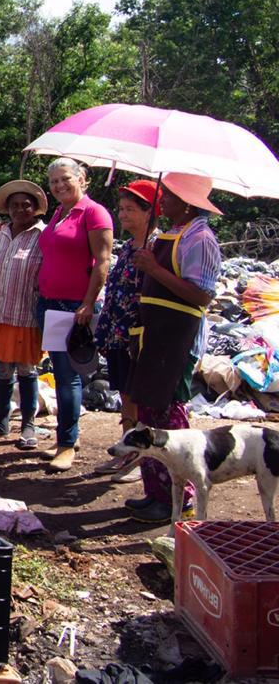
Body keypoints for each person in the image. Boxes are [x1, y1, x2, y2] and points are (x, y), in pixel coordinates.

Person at [124, 174, 222, 523]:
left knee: (168, 416)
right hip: (156, 335)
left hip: (177, 341)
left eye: (170, 198)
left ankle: (179, 495)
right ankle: (156, 491)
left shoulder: (201, 239)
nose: (161, 203)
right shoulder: (174, 234)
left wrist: (154, 269)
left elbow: (201, 295)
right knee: (149, 414)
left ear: (188, 203)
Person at [35, 158, 113, 471]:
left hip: (74, 307)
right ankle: (67, 435)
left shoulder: (94, 212)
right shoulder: (59, 213)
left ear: (82, 178)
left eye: (65, 179)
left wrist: (87, 302)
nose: (59, 186)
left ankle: (67, 445)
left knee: (68, 378)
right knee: (60, 373)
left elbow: (103, 261)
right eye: (53, 181)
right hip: (50, 303)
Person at [94, 179, 160, 480]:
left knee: (136, 394)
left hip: (138, 335)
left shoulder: (157, 246)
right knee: (125, 394)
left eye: (130, 209)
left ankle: (138, 456)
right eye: (120, 209)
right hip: (118, 333)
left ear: (150, 212)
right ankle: (127, 451)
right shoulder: (129, 247)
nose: (122, 214)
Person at [0, 180, 47, 448]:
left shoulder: (43, 236)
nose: (20, 210)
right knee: (2, 370)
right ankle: (1, 422)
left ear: (35, 208)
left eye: (25, 205)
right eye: (14, 205)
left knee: (27, 370)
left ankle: (28, 426)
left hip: (25, 315)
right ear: (7, 208)